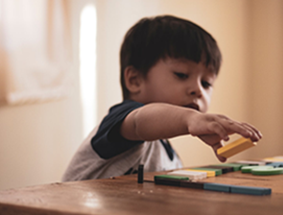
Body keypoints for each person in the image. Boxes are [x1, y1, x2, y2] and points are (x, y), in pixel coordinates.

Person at [62, 15, 262, 182]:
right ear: (135, 80)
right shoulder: (124, 122)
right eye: (182, 75)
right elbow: (142, 121)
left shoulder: (171, 158)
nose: (198, 90)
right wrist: (189, 119)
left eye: (207, 83)